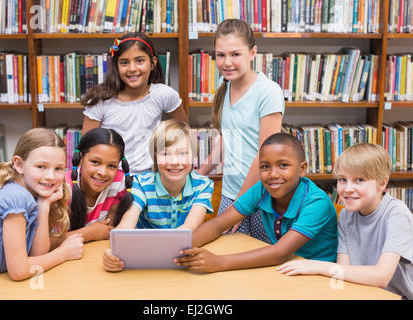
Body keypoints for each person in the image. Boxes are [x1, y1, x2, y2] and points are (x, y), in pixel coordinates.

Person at [175, 133, 338, 273]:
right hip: (283, 269)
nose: (273, 174)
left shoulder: (317, 202)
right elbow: (219, 224)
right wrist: (179, 248)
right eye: (265, 166)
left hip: (317, 274)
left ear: (302, 169)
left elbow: (279, 252)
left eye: (283, 165)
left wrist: (218, 262)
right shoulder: (261, 189)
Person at [277, 143, 413, 300]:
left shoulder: (397, 214)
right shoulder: (347, 215)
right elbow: (343, 269)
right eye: (342, 179)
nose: (348, 188)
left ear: (382, 183)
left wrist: (318, 266)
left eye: (359, 180)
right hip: (363, 292)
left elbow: (381, 277)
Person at [0, 128, 84, 293]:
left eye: (58, 168)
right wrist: (63, 253)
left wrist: (44, 206)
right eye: (41, 166)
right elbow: (19, 270)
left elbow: (37, 255)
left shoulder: (31, 193)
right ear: (19, 164)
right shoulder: (16, 196)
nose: (50, 176)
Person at [197, 19, 285, 242]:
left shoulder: (268, 91)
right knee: (225, 259)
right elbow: (229, 139)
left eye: (235, 54)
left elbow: (266, 154)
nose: (227, 62)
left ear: (252, 53)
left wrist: (241, 204)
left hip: (259, 197)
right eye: (220, 55)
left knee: (257, 264)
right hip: (230, 194)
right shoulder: (225, 85)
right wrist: (197, 177)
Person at [102, 119, 214, 272]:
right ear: (155, 156)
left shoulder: (203, 185)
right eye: (166, 153)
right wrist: (114, 252)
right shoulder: (141, 183)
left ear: (194, 155)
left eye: (183, 153)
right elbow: (127, 224)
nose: (174, 162)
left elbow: (190, 226)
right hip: (142, 258)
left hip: (180, 259)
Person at [81, 32, 188, 175]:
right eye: (124, 62)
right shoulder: (100, 100)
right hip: (111, 176)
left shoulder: (164, 95)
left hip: (151, 176)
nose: (132, 68)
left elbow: (184, 132)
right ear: (116, 66)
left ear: (153, 63)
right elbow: (86, 148)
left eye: (139, 61)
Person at [50, 128, 133, 248]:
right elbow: (48, 243)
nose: (103, 172)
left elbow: (107, 232)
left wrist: (97, 233)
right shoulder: (62, 189)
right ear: (80, 158)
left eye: (112, 166)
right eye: (95, 162)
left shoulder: (119, 183)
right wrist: (90, 233)